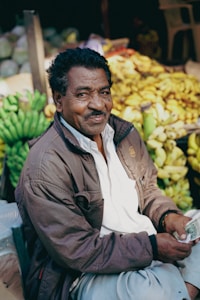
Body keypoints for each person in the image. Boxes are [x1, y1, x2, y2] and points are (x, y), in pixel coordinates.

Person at [15, 47, 200, 300]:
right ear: (58, 100)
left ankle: (177, 289)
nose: (98, 105)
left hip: (146, 245)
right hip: (87, 273)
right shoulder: (45, 166)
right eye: (83, 95)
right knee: (147, 294)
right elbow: (77, 250)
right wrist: (152, 248)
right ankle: (183, 289)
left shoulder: (123, 134)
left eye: (104, 92)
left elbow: (147, 190)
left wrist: (169, 218)